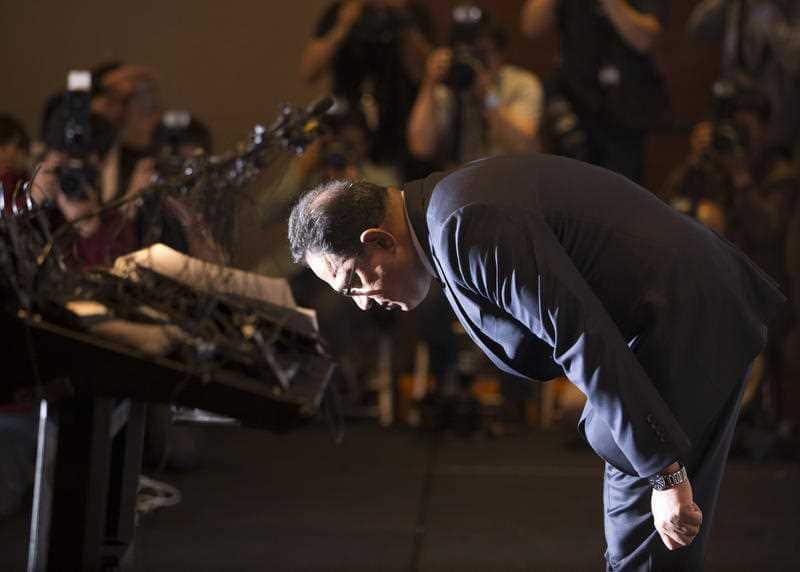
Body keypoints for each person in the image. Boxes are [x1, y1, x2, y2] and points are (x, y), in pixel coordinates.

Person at [287, 154, 785, 570]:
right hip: (676, 316)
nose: (362, 302)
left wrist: (666, 476)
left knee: (652, 546)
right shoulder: (447, 206)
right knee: (638, 537)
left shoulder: (463, 223)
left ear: (379, 240)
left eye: (354, 281)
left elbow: (578, 336)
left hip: (685, 319)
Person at [520, 0, 670, 183]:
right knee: (570, 190)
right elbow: (531, 26)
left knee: (621, 194)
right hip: (575, 101)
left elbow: (644, 40)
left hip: (624, 111)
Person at [299, 0, 433, 176]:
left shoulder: (410, 12)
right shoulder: (341, 11)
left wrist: (403, 24)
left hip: (400, 131)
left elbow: (426, 71)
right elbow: (308, 71)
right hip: (348, 135)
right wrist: (343, 26)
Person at [406, 5, 543, 167]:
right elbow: (421, 147)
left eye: (481, 53)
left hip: (509, 181)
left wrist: (488, 98)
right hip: (460, 184)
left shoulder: (521, 83)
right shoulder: (449, 88)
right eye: (467, 54)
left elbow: (525, 148)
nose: (474, 62)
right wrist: (429, 83)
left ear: (500, 52)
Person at [688, 0, 800, 163]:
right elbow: (698, 28)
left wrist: (767, 14)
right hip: (732, 114)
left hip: (780, 125)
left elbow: (796, 60)